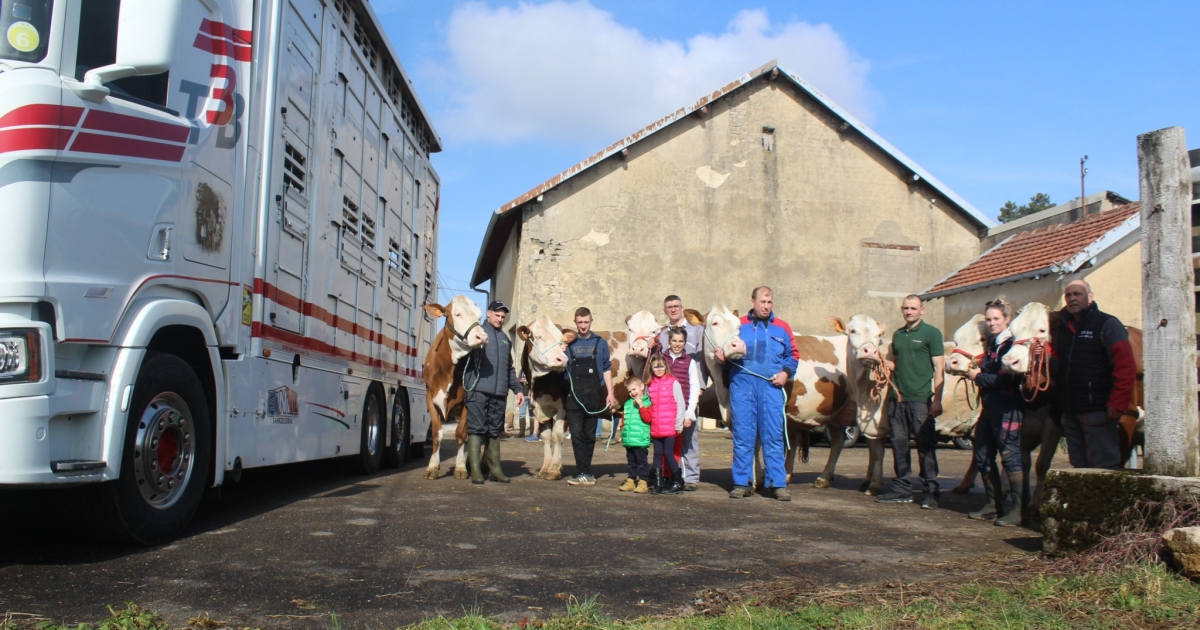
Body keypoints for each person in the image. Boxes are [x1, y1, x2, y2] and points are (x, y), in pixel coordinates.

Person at [715, 286, 798, 501]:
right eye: (762, 302)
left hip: (772, 387)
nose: (766, 306)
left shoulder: (782, 327)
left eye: (769, 302)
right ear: (753, 302)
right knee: (743, 436)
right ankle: (742, 483)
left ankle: (777, 484)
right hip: (742, 386)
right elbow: (726, 353)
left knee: (774, 436)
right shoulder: (738, 325)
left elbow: (793, 356)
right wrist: (722, 359)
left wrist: (785, 374)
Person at [1052, 280, 1137, 470]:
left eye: (1078, 294)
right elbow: (1057, 367)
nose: (1072, 299)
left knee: (1104, 467)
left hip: (1098, 410)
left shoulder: (1107, 324)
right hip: (1071, 411)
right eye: (1069, 295)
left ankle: (1111, 500)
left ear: (1090, 297)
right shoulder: (1062, 330)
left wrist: (1118, 402)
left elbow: (1125, 366)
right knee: (1078, 467)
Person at [876, 295, 945, 509]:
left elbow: (939, 369)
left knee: (925, 446)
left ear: (922, 310)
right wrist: (878, 359)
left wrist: (937, 400)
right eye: (906, 308)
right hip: (898, 399)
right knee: (898, 444)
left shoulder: (931, 334)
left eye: (913, 308)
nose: (909, 312)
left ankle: (931, 490)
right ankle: (902, 488)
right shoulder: (898, 335)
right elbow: (896, 365)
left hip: (921, 400)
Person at [965, 299, 1026, 526]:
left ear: (1007, 319)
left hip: (1008, 408)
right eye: (989, 319)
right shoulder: (993, 344)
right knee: (982, 454)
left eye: (996, 319)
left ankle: (1019, 511)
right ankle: (994, 505)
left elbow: (1006, 378)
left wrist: (978, 377)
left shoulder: (1012, 345)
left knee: (1010, 457)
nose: (991, 323)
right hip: (990, 408)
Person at [464, 301, 526, 485]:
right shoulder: (477, 333)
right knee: (476, 428)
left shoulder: (505, 339)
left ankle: (495, 469)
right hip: (477, 389)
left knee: (494, 431)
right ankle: (475, 470)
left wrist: (518, 390)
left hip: (499, 392)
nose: (500, 319)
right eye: (497, 315)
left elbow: (509, 368)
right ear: (488, 313)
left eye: (502, 317)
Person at [563, 307, 616, 486]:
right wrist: (561, 351)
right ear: (575, 322)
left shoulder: (600, 342)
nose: (583, 326)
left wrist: (610, 393)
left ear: (591, 321)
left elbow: (607, 368)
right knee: (576, 434)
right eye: (580, 322)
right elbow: (560, 368)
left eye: (586, 322)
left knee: (589, 434)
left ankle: (586, 472)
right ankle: (582, 471)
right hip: (573, 395)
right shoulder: (569, 343)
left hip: (594, 394)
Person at [663, 326, 703, 491]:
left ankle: (691, 478)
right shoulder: (661, 360)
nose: (677, 344)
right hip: (665, 410)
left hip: (684, 409)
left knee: (688, 444)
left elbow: (694, 388)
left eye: (681, 341)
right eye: (674, 341)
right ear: (669, 341)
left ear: (685, 343)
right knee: (666, 446)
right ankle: (669, 476)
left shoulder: (690, 362)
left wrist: (689, 412)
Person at [646, 354, 685, 495]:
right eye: (656, 367)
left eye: (661, 366)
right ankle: (658, 482)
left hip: (669, 425)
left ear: (666, 366)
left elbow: (680, 403)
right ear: (651, 368)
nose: (659, 369)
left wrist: (678, 424)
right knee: (657, 454)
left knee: (668, 453)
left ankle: (677, 481)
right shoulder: (650, 384)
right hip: (656, 426)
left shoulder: (673, 382)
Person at [618, 375, 652, 494]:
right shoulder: (627, 404)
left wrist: (641, 405)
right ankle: (631, 481)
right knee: (631, 462)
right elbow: (625, 419)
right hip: (629, 439)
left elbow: (648, 418)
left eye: (634, 389)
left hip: (640, 439)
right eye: (630, 391)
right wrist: (622, 433)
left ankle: (643, 482)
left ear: (642, 387)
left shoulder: (647, 403)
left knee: (642, 462)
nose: (632, 393)